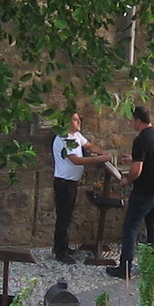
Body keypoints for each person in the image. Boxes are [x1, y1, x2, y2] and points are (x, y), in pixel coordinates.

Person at [113, 106, 154, 279]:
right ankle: (150, 265)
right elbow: (153, 157)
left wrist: (126, 180)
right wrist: (134, 158)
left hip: (146, 191)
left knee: (131, 226)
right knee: (153, 225)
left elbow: (136, 171)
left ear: (138, 120)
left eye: (132, 120)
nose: (130, 123)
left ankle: (125, 268)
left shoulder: (141, 139)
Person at [51, 112, 112, 262]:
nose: (79, 122)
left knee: (68, 215)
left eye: (79, 119)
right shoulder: (63, 138)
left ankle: (63, 246)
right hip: (64, 182)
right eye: (75, 120)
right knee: (63, 217)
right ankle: (60, 251)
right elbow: (76, 160)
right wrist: (98, 159)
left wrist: (103, 152)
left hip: (71, 182)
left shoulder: (76, 136)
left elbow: (89, 145)